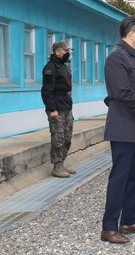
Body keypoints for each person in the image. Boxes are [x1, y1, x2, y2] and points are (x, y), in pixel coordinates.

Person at [100, 16, 135, 244]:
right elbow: (121, 92)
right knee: (120, 178)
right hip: (123, 127)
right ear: (131, 33)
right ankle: (109, 227)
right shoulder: (116, 58)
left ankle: (130, 220)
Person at [41, 41, 76, 178]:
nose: (67, 53)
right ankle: (57, 166)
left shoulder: (64, 66)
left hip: (66, 105)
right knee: (58, 137)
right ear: (57, 51)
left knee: (67, 137)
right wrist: (52, 109)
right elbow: (46, 91)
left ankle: (62, 162)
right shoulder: (50, 68)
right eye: (65, 50)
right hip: (57, 107)